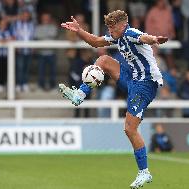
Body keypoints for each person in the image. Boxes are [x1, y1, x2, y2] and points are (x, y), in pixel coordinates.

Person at [60, 10, 167, 188]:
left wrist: (155, 39)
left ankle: (144, 172)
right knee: (103, 59)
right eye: (108, 27)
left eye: (112, 27)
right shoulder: (117, 37)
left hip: (146, 84)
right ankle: (79, 95)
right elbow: (95, 42)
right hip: (132, 78)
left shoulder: (131, 33)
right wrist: (78, 30)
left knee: (129, 129)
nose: (110, 31)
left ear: (123, 25)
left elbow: (144, 38)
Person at [34, 12, 58, 90]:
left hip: (51, 53)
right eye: (44, 17)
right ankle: (41, 86)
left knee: (53, 71)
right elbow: (37, 35)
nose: (46, 19)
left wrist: (43, 35)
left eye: (47, 17)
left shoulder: (53, 27)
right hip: (41, 53)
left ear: (49, 18)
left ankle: (53, 86)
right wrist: (47, 34)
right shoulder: (37, 27)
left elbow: (53, 34)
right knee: (41, 71)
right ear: (41, 18)